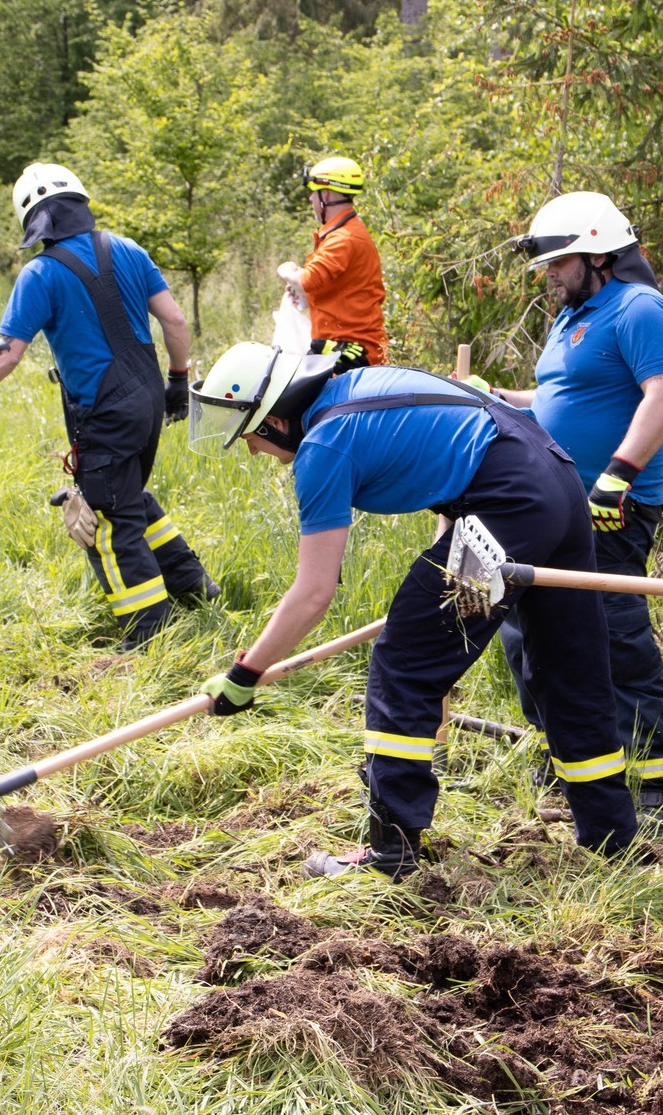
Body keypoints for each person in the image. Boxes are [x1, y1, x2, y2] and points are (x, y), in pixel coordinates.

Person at [188, 345, 638, 878]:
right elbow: (455, 464)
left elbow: (312, 592)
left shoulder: (325, 446)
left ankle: (390, 853)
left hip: (508, 507)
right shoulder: (361, 389)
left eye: (250, 436)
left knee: (404, 667)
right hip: (554, 485)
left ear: (278, 419)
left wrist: (246, 672)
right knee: (570, 670)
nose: (253, 451)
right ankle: (613, 840)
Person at [0, 163, 215, 649]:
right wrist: (178, 382)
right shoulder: (129, 249)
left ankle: (150, 635)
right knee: (129, 494)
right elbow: (176, 322)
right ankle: (193, 585)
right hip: (147, 399)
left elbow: (7, 354)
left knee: (105, 520)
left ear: (32, 221)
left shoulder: (39, 274)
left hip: (104, 411)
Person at [483, 193, 663, 829]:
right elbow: (559, 394)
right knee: (527, 632)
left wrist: (617, 476)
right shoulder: (572, 314)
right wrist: (498, 397)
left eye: (559, 262)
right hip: (548, 501)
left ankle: (660, 785)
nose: (550, 274)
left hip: (609, 507)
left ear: (599, 253)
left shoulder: (638, 307)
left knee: (614, 635)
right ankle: (568, 758)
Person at [277, 156, 387, 372]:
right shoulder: (344, 232)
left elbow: (309, 279)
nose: (311, 199)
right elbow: (342, 290)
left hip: (352, 351)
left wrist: (287, 271)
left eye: (313, 192)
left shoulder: (343, 238)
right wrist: (307, 298)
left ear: (325, 195)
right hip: (341, 345)